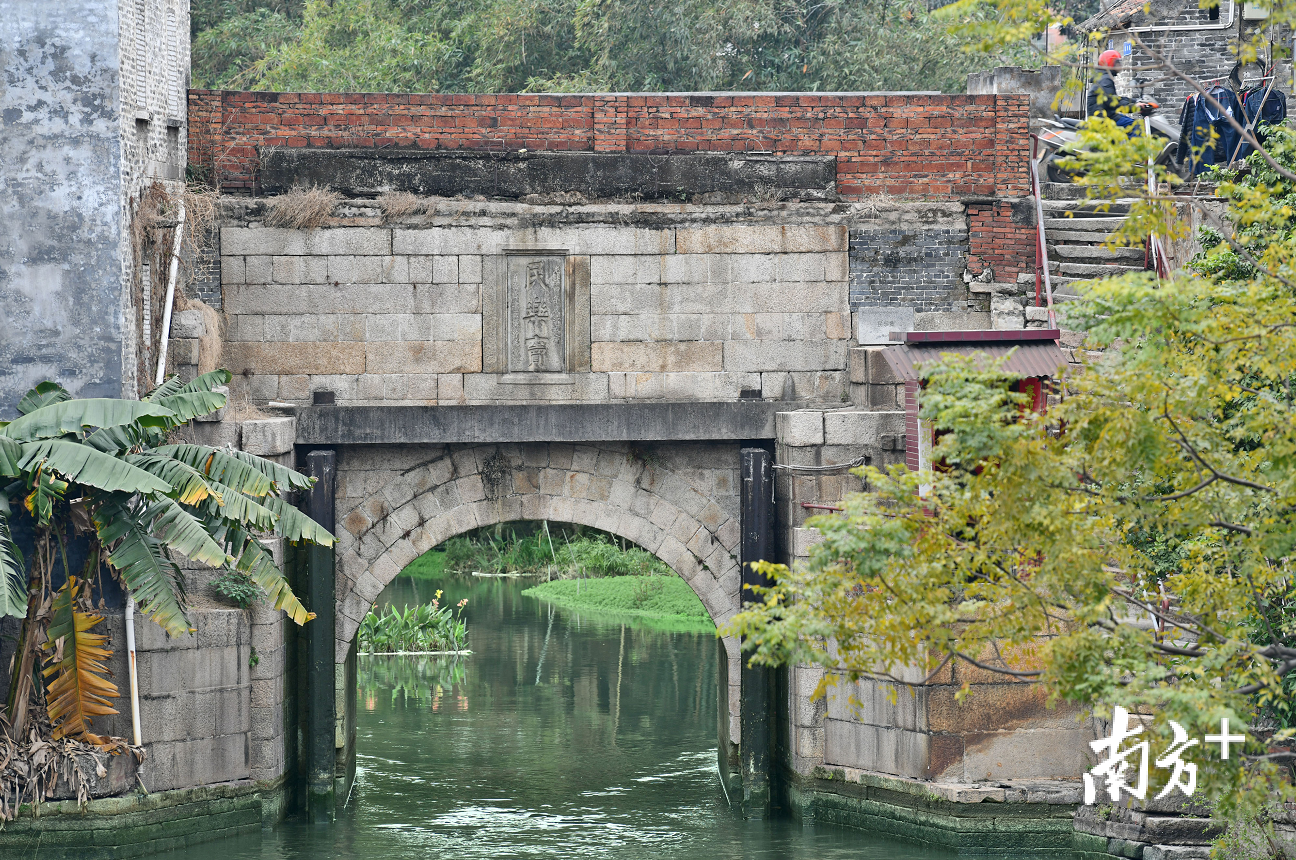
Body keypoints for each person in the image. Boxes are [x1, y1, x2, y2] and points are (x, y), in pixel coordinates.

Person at [1088, 49, 1139, 130]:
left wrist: (1135, 101)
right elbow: (1114, 103)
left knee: (1129, 121)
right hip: (1103, 119)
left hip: (1106, 115)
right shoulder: (1105, 80)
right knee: (1136, 127)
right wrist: (1135, 107)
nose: (1120, 65)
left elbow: (1115, 99)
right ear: (1109, 63)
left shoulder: (1103, 77)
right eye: (1118, 63)